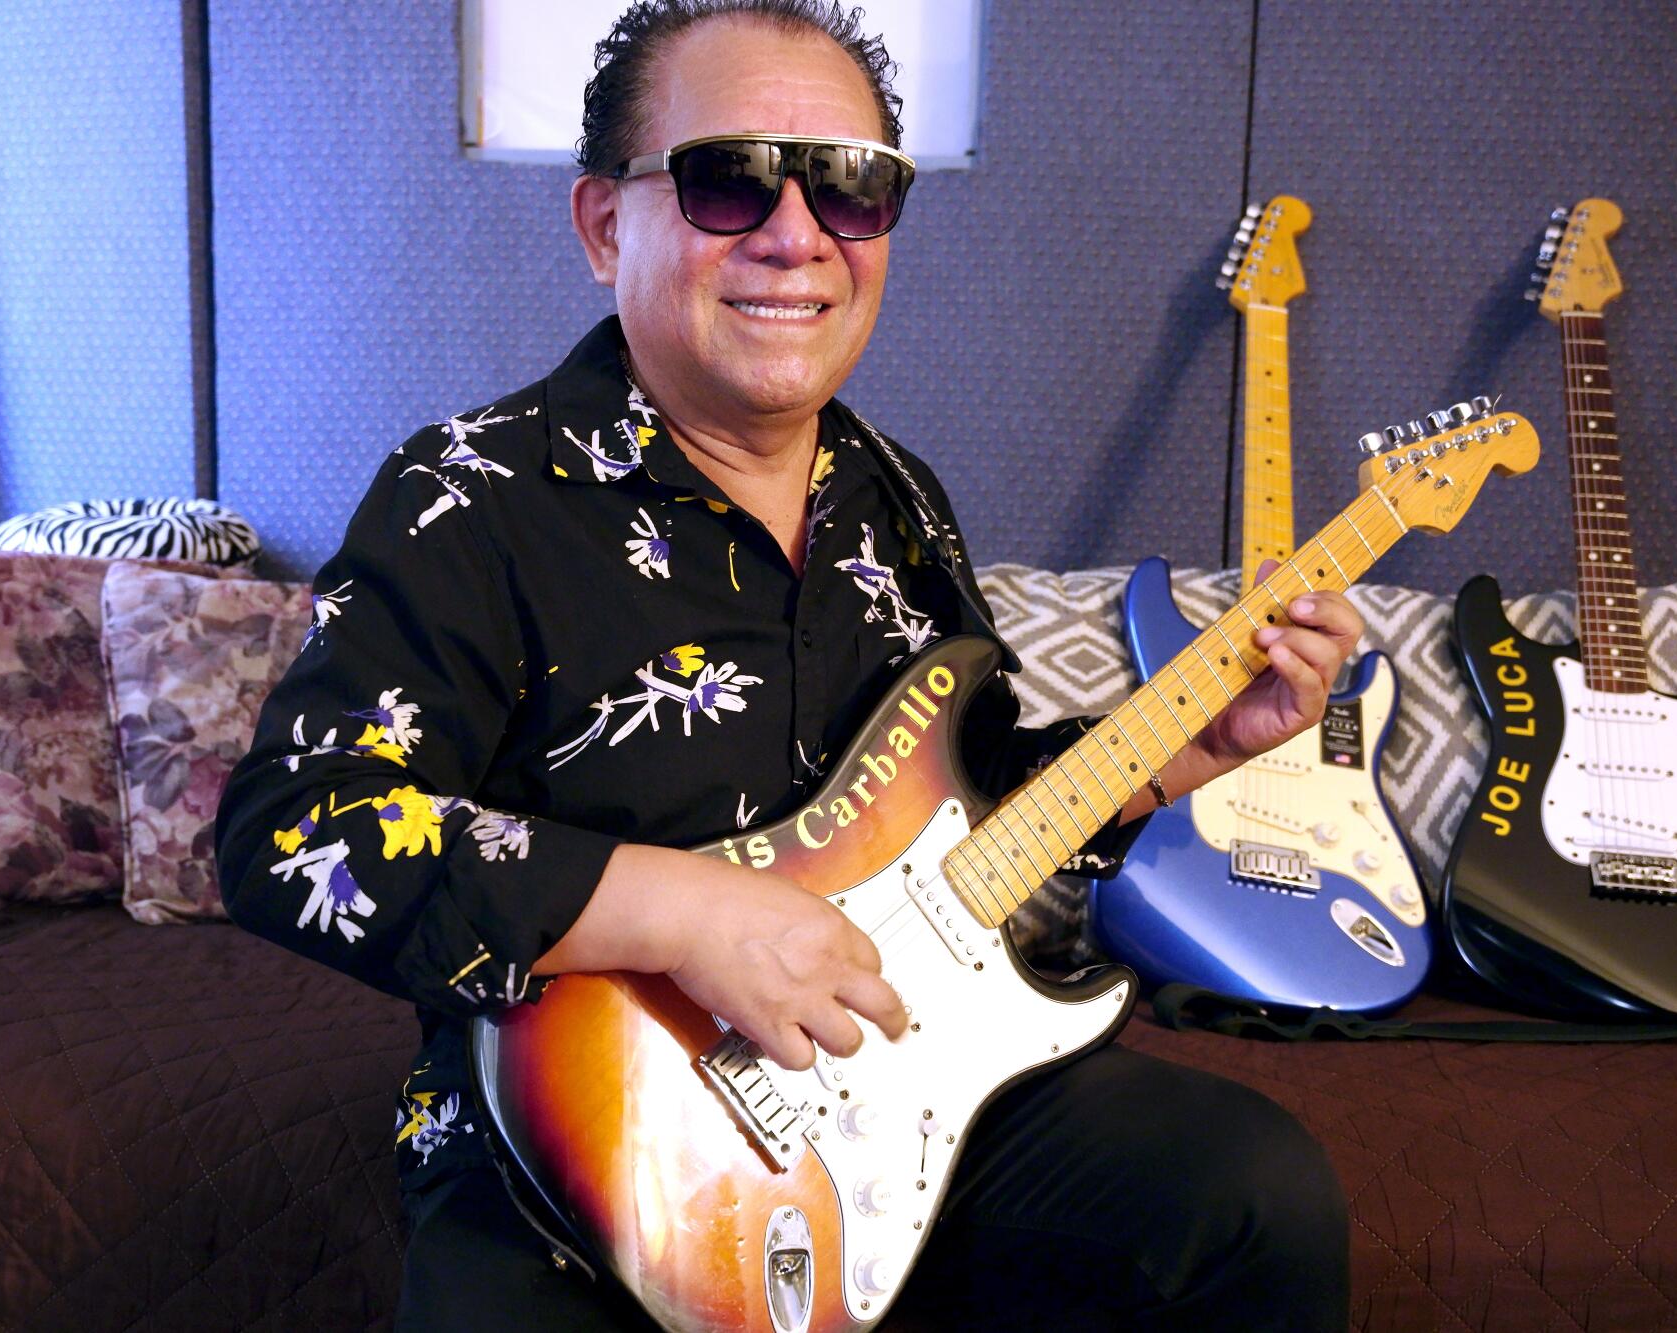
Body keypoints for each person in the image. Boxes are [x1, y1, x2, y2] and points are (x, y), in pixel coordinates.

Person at [216, 2, 1360, 1328]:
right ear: (604, 225)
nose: (796, 233)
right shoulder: (472, 493)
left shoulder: (901, 501)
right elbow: (291, 830)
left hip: (906, 1100)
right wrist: (681, 912)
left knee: (1256, 1197)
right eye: (727, 180)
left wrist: (1198, 747)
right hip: (585, 1168)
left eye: (852, 188)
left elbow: (972, 826)